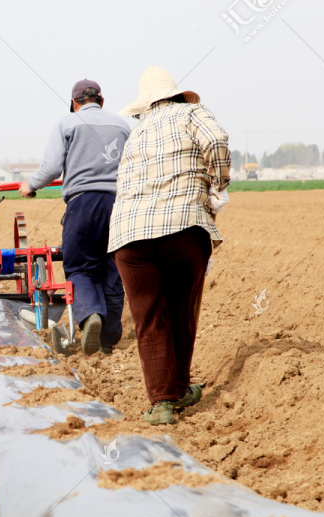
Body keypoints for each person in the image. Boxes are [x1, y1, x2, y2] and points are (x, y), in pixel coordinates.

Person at [108, 66, 231, 425]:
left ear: (145, 105)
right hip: (182, 228)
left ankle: (162, 402)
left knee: (149, 318)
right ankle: (178, 389)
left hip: (129, 236)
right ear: (177, 95)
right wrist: (218, 184)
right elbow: (217, 140)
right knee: (182, 308)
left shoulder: (138, 132)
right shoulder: (192, 112)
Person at [20, 79, 131, 355]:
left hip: (83, 205)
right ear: (102, 101)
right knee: (113, 267)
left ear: (74, 104)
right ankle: (109, 338)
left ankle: (90, 314)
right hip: (119, 205)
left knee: (80, 267)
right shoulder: (122, 126)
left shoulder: (67, 124)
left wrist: (30, 185)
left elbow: (52, 167)